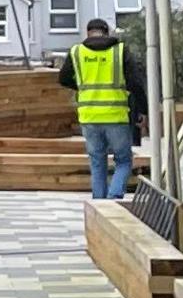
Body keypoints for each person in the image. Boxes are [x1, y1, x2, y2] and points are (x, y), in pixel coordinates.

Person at [55, 16, 143, 201]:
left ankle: (99, 203)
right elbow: (135, 83)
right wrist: (143, 111)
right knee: (124, 161)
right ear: (107, 32)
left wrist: (82, 86)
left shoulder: (77, 52)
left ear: (88, 33)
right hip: (116, 116)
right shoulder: (119, 51)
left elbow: (63, 78)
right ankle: (113, 196)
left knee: (97, 162)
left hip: (89, 117)